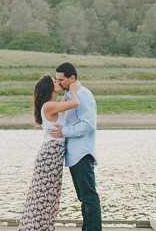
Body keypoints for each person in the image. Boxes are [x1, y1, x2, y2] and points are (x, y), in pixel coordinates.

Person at [18, 75, 81, 231]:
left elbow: (64, 103)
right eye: (55, 81)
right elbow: (75, 103)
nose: (58, 82)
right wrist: (72, 89)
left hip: (53, 157)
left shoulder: (51, 106)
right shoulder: (48, 106)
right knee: (42, 198)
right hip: (50, 157)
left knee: (48, 197)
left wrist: (69, 87)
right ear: (48, 87)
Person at [48, 62, 101, 231]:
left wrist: (65, 131)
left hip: (82, 153)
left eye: (61, 80)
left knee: (89, 197)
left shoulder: (83, 95)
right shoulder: (72, 96)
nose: (59, 83)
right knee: (84, 197)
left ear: (72, 78)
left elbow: (89, 124)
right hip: (75, 155)